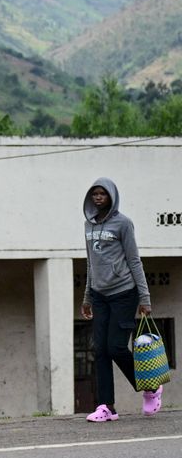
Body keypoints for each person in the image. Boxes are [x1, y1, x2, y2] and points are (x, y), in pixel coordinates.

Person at [81, 178, 159, 421]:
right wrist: (87, 296)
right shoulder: (88, 225)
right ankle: (107, 406)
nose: (98, 197)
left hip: (124, 293)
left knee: (115, 347)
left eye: (103, 193)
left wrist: (144, 297)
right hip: (99, 295)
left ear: (112, 196)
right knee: (100, 350)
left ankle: (150, 387)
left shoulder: (123, 224)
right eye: (94, 193)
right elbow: (90, 263)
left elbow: (135, 260)